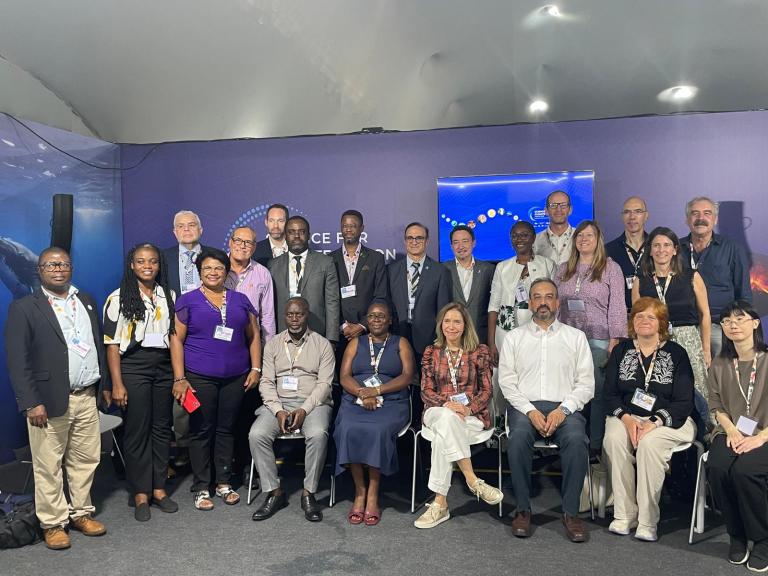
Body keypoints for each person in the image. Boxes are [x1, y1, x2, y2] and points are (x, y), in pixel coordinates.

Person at [5, 247, 108, 550]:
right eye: (51, 265)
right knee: (48, 464)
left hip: (87, 395)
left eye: (64, 264)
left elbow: (95, 345)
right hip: (47, 401)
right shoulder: (25, 307)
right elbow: (17, 360)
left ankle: (81, 513)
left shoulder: (85, 300)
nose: (58, 269)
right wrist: (30, 401)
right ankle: (53, 523)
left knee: (85, 460)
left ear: (71, 268)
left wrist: (102, 385)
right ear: (39, 270)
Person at [499, 278, 594, 543]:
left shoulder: (575, 338)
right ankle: (522, 509)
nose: (543, 302)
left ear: (557, 302)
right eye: (537, 297)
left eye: (549, 296)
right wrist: (530, 411)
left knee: (576, 440)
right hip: (524, 407)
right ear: (530, 303)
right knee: (517, 439)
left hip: (565, 407)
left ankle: (571, 513)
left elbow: (586, 384)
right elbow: (507, 382)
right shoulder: (514, 338)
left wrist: (562, 410)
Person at [170, 247, 262, 510]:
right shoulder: (188, 301)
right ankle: (201, 486)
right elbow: (176, 339)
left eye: (218, 268)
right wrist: (179, 378)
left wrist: (255, 368)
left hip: (236, 377)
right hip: (199, 377)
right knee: (201, 430)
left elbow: (253, 335)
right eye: (207, 268)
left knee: (226, 429)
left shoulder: (240, 300)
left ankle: (223, 482)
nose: (213, 272)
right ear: (200, 272)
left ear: (226, 272)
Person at [602, 297, 696, 542]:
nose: (644, 321)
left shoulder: (677, 353)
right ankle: (624, 514)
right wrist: (627, 419)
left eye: (651, 317)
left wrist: (653, 422)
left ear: (661, 323)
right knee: (613, 438)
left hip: (670, 420)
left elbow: (684, 402)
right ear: (632, 320)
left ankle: (647, 519)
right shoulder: (621, 350)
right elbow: (609, 395)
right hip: (627, 415)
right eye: (639, 316)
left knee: (649, 444)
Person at [103, 243, 179, 522]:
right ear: (132, 265)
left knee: (161, 429)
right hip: (132, 366)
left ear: (160, 265)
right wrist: (117, 383)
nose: (147, 265)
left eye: (153, 261)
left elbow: (173, 338)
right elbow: (111, 345)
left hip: (163, 367)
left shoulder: (167, 295)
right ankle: (140, 493)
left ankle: (159, 489)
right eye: (141, 261)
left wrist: (176, 375)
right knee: (137, 431)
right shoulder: (118, 297)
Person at [414, 302, 502, 529]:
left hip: (470, 416)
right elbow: (426, 390)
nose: (451, 326)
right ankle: (473, 480)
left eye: (457, 321)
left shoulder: (479, 352)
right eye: (447, 321)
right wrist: (446, 403)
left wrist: (468, 408)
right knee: (445, 418)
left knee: (444, 434)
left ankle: (440, 503)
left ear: (465, 326)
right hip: (436, 410)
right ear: (440, 325)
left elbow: (486, 391)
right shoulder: (431, 352)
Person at [249, 297, 335, 523]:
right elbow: (266, 382)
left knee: (317, 434)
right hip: (278, 403)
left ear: (308, 315)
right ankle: (274, 492)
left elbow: (325, 385)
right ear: (284, 316)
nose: (294, 319)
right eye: (290, 315)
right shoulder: (273, 344)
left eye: (300, 314)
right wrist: (278, 411)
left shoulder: (322, 344)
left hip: (312, 403)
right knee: (256, 435)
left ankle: (309, 493)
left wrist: (304, 410)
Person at [334, 302, 414, 525]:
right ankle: (359, 492)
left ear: (390, 320)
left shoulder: (401, 343)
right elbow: (344, 377)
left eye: (381, 316)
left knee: (377, 431)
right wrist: (363, 393)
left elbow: (407, 376)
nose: (376, 319)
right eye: (372, 316)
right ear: (366, 320)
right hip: (357, 400)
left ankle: (373, 495)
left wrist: (377, 391)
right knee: (348, 428)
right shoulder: (356, 343)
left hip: (392, 401)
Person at [555, 220, 627, 453]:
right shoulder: (563, 268)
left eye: (589, 235)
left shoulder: (610, 268)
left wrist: (615, 341)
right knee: (567, 389)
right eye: (580, 236)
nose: (584, 239)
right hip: (567, 340)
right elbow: (554, 304)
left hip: (598, 340)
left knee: (594, 388)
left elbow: (617, 305)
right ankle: (569, 442)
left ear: (598, 240)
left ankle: (595, 445)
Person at [707, 301, 768, 571]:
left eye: (740, 319)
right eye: (727, 321)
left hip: (764, 434)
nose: (733, 325)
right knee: (718, 467)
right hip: (730, 430)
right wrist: (730, 429)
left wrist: (760, 438)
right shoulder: (720, 363)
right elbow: (715, 404)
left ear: (755, 323)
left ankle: (763, 539)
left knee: (745, 472)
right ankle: (737, 535)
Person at [632, 226, 711, 432]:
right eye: (656, 245)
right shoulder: (641, 280)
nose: (661, 250)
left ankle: (703, 436)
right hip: (654, 342)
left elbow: (705, 315)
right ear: (649, 250)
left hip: (688, 340)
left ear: (675, 249)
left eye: (667, 245)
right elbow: (636, 318)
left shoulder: (691, 276)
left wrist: (706, 349)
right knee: (660, 390)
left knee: (696, 391)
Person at [224, 226, 275, 485]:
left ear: (255, 247)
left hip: (250, 354)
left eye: (249, 243)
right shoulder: (217, 269)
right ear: (230, 242)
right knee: (223, 414)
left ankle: (245, 466)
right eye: (239, 241)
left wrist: (265, 361)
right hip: (219, 353)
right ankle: (222, 467)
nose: (243, 246)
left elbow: (267, 320)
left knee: (245, 413)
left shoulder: (262, 274)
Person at [162, 209, 212, 469]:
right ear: (174, 232)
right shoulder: (163, 258)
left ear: (201, 229)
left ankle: (207, 448)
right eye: (181, 226)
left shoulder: (213, 256)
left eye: (192, 225)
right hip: (177, 332)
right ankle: (183, 447)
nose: (187, 229)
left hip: (210, 335)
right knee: (181, 391)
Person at [679, 196, 752, 357]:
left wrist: (739, 327)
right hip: (684, 327)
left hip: (719, 326)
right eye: (695, 213)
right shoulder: (674, 249)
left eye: (707, 213)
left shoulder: (733, 249)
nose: (701, 219)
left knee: (721, 377)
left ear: (715, 219)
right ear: (687, 220)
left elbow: (743, 292)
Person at [269, 215, 341, 344]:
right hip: (282, 334)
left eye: (301, 232)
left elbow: (332, 303)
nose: (296, 236)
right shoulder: (273, 265)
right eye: (291, 232)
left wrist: (332, 338)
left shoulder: (325, 262)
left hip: (317, 333)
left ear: (309, 235)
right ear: (285, 235)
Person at [387, 222, 452, 362]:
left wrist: (441, 339)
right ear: (405, 241)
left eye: (419, 238)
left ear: (427, 241)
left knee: (426, 382)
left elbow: (443, 309)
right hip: (397, 337)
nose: (414, 242)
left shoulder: (440, 271)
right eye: (410, 238)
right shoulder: (391, 270)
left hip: (428, 339)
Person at [330, 210, 388, 357]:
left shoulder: (376, 258)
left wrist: (362, 325)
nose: (348, 229)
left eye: (353, 225)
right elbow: (328, 298)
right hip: (340, 333)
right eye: (345, 226)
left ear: (362, 228)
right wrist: (343, 326)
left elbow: (380, 296)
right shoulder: (330, 259)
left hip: (369, 331)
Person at [443, 225, 495, 345]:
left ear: (474, 243)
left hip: (480, 337)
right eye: (456, 242)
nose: (460, 246)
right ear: (451, 246)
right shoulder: (442, 270)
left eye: (465, 241)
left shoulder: (488, 269)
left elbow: (493, 305)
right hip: (452, 338)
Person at [605, 196, 649, 312]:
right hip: (621, 316)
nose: (632, 217)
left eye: (638, 211)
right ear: (622, 217)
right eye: (627, 212)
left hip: (652, 316)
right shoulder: (608, 250)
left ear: (646, 216)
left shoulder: (656, 248)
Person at [533, 190, 575, 265]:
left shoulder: (580, 237)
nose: (558, 209)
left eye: (563, 205)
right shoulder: (535, 240)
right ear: (546, 211)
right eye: (553, 205)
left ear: (570, 210)